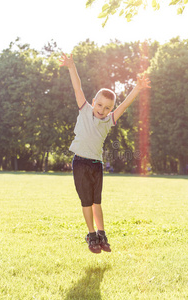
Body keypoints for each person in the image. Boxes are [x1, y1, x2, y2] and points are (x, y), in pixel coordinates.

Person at [59, 53, 151, 254]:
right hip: (80, 163)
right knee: (86, 201)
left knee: (96, 202)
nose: (102, 109)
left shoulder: (109, 120)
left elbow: (124, 105)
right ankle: (91, 235)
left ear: (111, 109)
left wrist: (137, 88)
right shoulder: (85, 110)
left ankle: (102, 234)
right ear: (94, 102)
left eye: (107, 107)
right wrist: (71, 66)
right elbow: (78, 87)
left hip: (96, 165)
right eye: (99, 104)